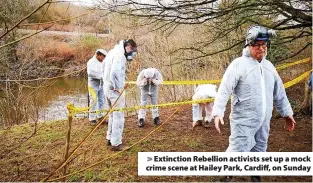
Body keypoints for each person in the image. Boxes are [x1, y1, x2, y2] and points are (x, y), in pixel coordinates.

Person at [212, 25, 296, 182]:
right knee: (237, 151)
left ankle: (256, 179)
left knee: (259, 151)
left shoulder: (269, 67)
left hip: (264, 121)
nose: (261, 49)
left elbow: (279, 92)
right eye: (257, 45)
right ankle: (224, 179)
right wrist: (218, 112)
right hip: (243, 121)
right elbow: (224, 90)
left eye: (264, 45)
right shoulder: (238, 65)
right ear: (248, 44)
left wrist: (287, 113)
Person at [102, 39, 137, 151]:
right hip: (114, 90)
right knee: (119, 116)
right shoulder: (119, 56)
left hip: (107, 87)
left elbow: (103, 69)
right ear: (129, 47)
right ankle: (116, 144)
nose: (132, 54)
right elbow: (115, 73)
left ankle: (110, 138)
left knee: (112, 114)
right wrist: (118, 87)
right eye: (132, 51)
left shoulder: (112, 52)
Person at [87, 49, 107, 125]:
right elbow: (90, 73)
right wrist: (102, 77)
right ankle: (92, 118)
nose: (104, 58)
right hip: (93, 85)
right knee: (93, 101)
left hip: (101, 85)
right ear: (98, 55)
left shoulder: (103, 62)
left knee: (101, 100)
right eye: (103, 56)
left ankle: (100, 116)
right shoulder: (91, 62)